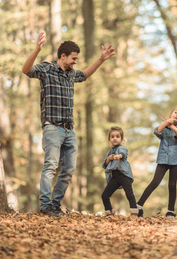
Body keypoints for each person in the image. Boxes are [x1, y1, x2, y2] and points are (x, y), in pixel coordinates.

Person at [22, 31, 115, 217]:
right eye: (73, 58)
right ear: (62, 56)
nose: (75, 62)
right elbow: (26, 70)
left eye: (76, 59)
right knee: (51, 166)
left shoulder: (71, 75)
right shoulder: (46, 69)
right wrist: (37, 49)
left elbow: (85, 75)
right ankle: (45, 205)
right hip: (52, 128)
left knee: (69, 170)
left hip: (69, 131)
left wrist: (101, 60)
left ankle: (55, 205)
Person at [137, 106, 177, 218]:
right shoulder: (164, 129)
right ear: (171, 113)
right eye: (176, 112)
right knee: (155, 182)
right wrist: (166, 123)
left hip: (176, 161)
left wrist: (172, 125)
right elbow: (157, 131)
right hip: (163, 160)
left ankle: (170, 211)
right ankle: (139, 205)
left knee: (172, 185)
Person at [101, 126, 138, 218]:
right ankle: (109, 213)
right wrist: (109, 159)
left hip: (124, 175)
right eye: (112, 137)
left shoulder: (122, 148)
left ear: (121, 138)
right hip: (115, 177)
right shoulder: (110, 153)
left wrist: (119, 156)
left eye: (117, 136)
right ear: (109, 139)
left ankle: (134, 213)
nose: (115, 139)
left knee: (129, 194)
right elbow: (104, 165)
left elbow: (123, 153)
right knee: (105, 195)